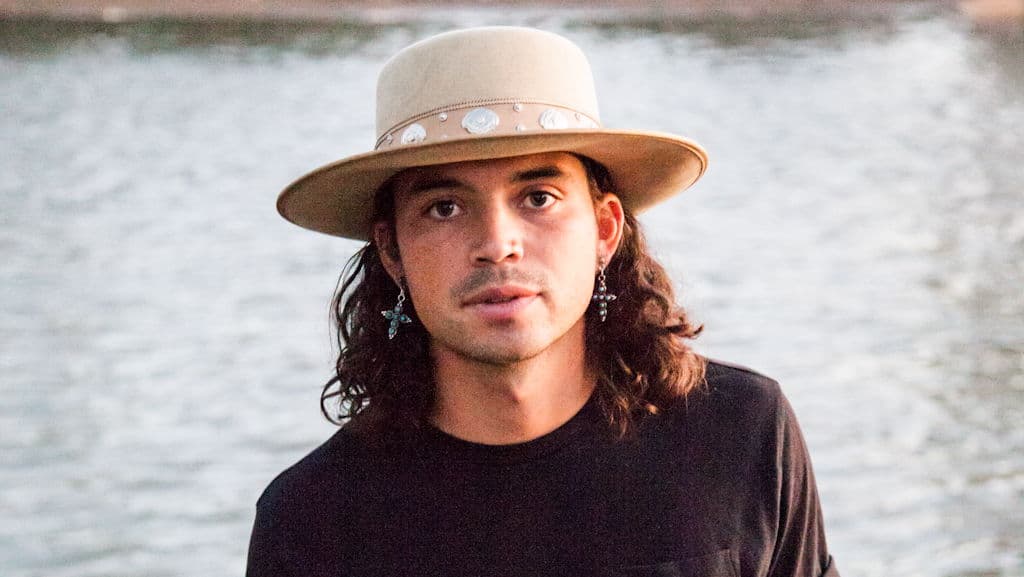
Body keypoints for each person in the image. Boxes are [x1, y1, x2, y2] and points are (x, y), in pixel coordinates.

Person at [247, 26, 840, 577]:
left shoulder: (741, 432)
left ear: (605, 230)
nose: (497, 244)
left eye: (538, 197)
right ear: (392, 250)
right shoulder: (312, 522)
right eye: (444, 208)